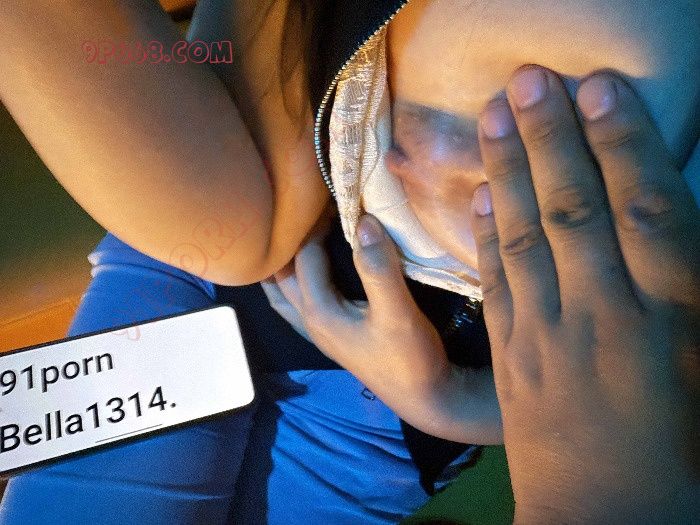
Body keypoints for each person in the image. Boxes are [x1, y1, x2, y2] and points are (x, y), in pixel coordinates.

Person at [0, 0, 697, 523]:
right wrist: (454, 402)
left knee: (223, 235)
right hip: (380, 405)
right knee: (229, 234)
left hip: (377, 384)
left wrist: (453, 403)